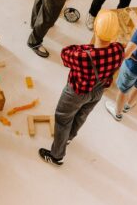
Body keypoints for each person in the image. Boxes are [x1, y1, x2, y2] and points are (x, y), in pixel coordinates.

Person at [39, 11, 125, 166]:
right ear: (114, 34)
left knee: (63, 118)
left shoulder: (83, 56)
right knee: (81, 115)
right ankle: (70, 137)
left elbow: (65, 54)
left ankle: (56, 156)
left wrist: (87, 47)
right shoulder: (118, 50)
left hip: (76, 92)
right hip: (98, 92)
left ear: (95, 30)